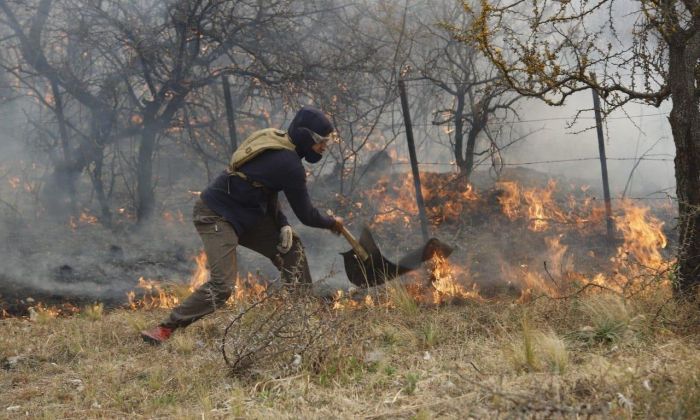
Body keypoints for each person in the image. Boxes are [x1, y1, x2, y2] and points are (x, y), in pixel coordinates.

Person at [141, 106, 343, 345]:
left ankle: (303, 319)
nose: (324, 147)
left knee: (292, 249)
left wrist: (283, 224)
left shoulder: (279, 143)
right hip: (216, 215)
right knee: (223, 286)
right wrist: (332, 223)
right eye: (321, 141)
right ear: (306, 136)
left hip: (245, 213)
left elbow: (268, 190)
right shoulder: (290, 164)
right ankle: (165, 328)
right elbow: (308, 215)